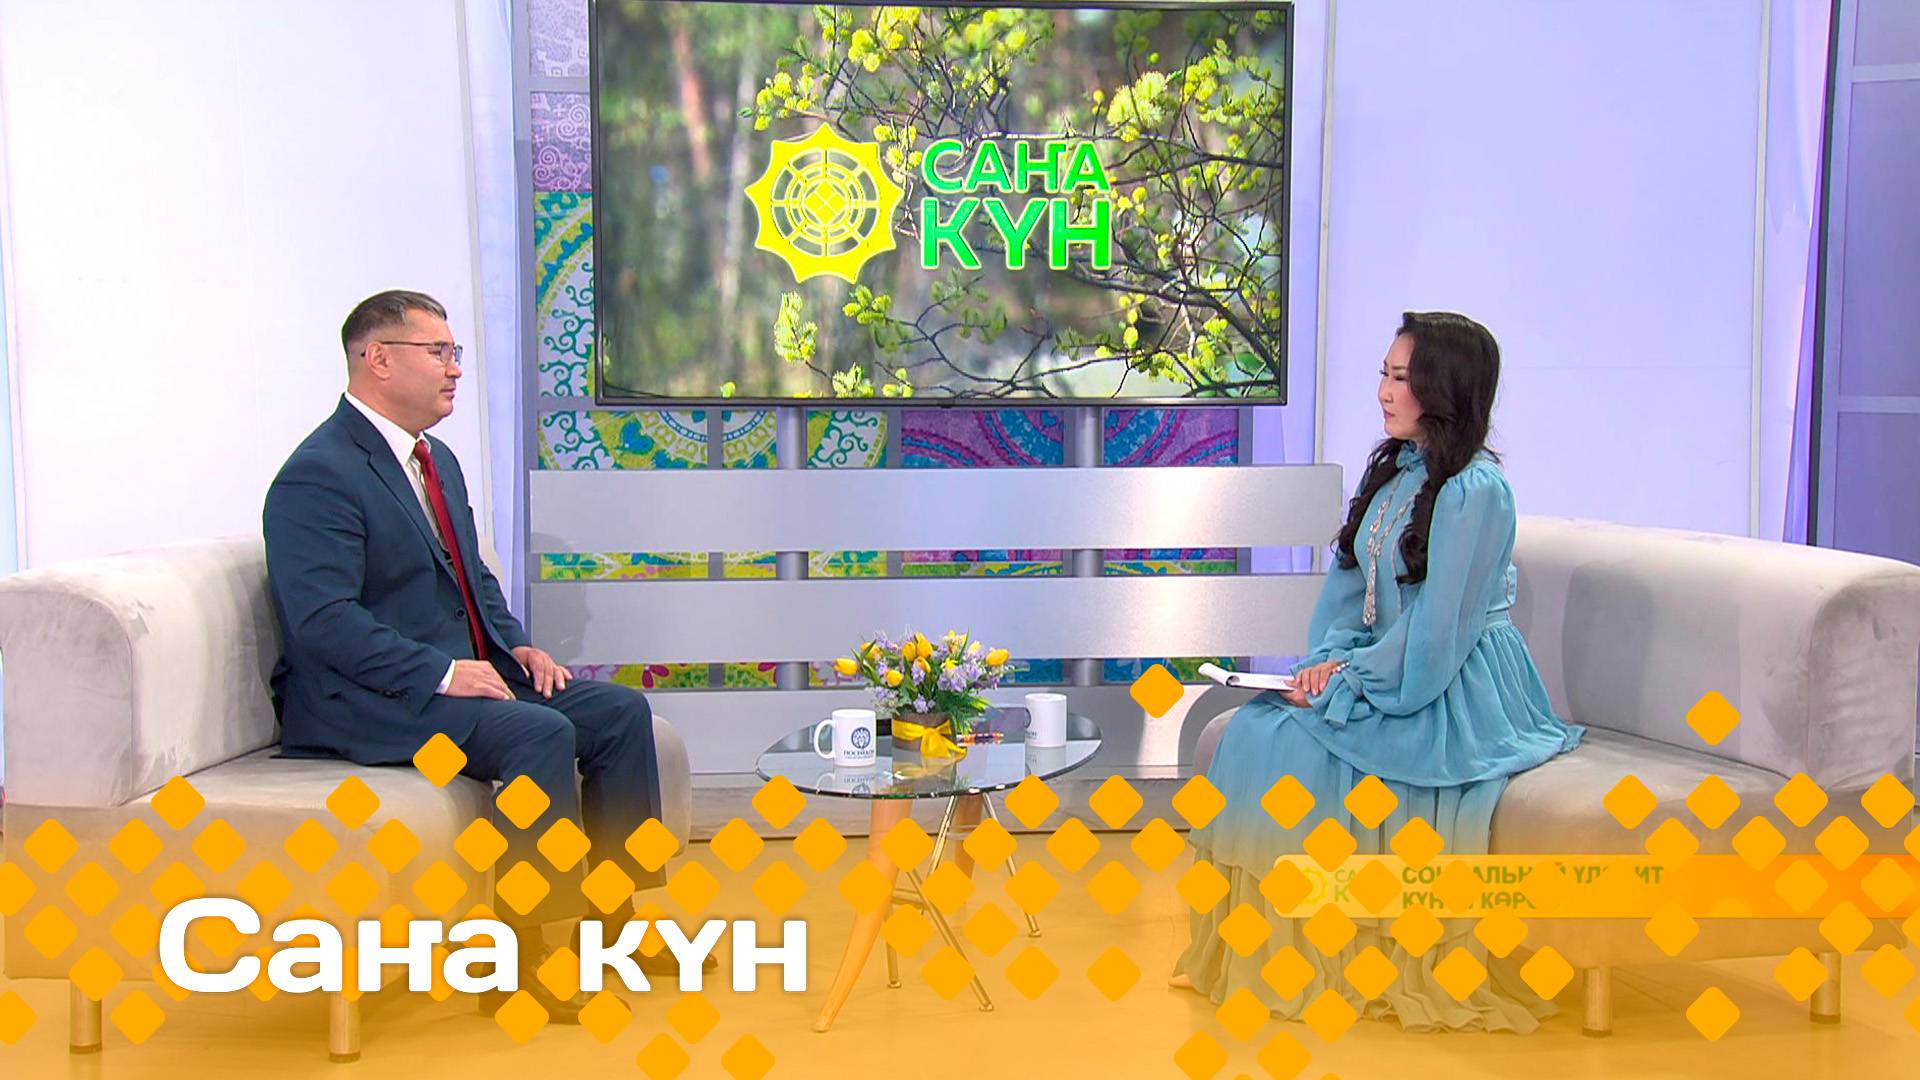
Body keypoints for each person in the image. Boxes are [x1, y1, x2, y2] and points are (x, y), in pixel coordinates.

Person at [264, 290, 691, 1022]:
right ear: (378, 359)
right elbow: (322, 620)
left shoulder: (437, 461)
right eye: (438, 352)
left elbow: (472, 578)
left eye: (454, 352)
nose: (455, 368)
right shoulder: (319, 473)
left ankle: (614, 927)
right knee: (538, 733)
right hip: (365, 700)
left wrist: (513, 643)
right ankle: (521, 962)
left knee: (620, 713)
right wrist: (441, 672)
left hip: (456, 675)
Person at [1171, 311, 1583, 1031]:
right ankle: (1273, 959)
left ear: (1444, 387)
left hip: (1452, 681)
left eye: (1401, 378)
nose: (1385, 392)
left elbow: (1439, 630)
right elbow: (1350, 593)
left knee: (1295, 750)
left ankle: (1346, 964)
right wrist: (1325, 662)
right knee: (1254, 732)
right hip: (1385, 660)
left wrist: (1355, 679)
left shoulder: (1476, 491)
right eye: (1384, 375)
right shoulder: (1395, 469)